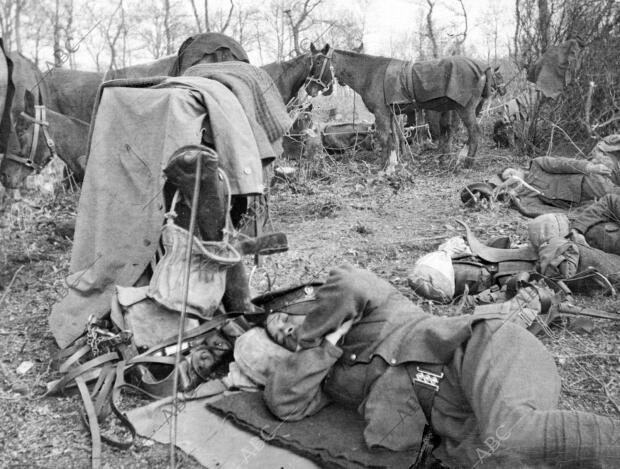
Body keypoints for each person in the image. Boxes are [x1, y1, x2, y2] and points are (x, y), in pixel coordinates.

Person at [262, 264, 620, 468]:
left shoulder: (373, 305)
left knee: (513, 434)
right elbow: (286, 403)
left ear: (309, 304)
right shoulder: (325, 370)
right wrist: (321, 348)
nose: (288, 332)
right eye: (279, 337)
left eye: (283, 321)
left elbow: (351, 281)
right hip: (463, 418)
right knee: (496, 457)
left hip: (484, 352)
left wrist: (314, 330)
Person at [496, 156, 620, 209]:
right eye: (508, 178)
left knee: (615, 195)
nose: (512, 177)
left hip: (584, 184)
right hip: (581, 204)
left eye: (512, 173)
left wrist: (589, 167)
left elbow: (562, 163)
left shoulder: (537, 165)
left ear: (518, 169)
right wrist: (514, 198)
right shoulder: (525, 195)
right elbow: (538, 208)